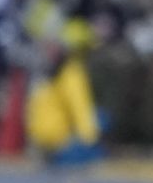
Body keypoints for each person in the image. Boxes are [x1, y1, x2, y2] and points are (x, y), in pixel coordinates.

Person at [27, 19, 106, 167]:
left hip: (52, 145)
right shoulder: (63, 74)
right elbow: (80, 108)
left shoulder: (63, 74)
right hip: (53, 146)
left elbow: (80, 107)